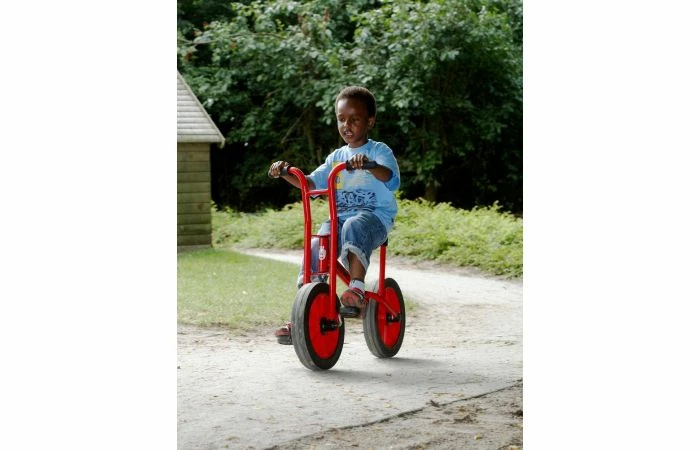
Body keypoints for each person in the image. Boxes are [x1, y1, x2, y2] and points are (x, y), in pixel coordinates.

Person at [268, 86, 400, 344]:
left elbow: (391, 179)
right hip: (339, 221)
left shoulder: (379, 151)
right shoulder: (336, 158)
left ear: (370, 121)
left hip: (374, 219)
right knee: (318, 242)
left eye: (354, 119)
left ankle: (357, 289)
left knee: (353, 224)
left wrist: (370, 165)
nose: (346, 125)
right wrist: (286, 173)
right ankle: (304, 311)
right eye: (341, 119)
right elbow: (309, 184)